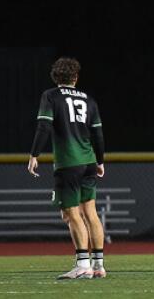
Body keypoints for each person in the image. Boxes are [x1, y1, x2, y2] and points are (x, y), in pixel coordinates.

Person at [27, 57, 108, 279]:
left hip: (68, 162)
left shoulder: (50, 96)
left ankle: (83, 265)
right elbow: (98, 134)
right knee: (90, 213)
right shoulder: (89, 100)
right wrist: (100, 161)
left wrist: (34, 154)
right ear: (76, 77)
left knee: (71, 213)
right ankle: (98, 265)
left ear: (55, 77)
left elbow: (44, 126)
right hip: (88, 161)